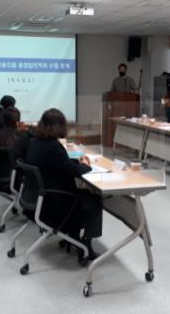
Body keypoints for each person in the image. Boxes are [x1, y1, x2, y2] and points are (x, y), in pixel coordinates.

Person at [25, 108, 102, 259]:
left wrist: (75, 163)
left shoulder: (36, 142)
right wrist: (86, 165)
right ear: (59, 126)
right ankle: (86, 245)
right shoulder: (53, 147)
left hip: (40, 199)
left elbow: (60, 164)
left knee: (84, 194)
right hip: (55, 204)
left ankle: (73, 236)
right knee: (94, 199)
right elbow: (71, 171)